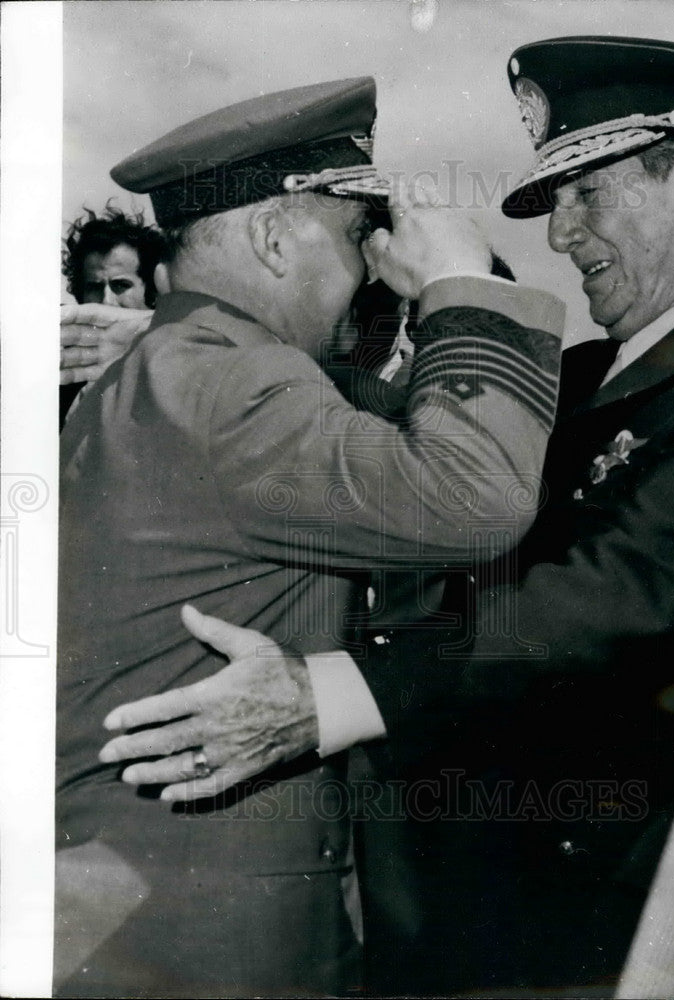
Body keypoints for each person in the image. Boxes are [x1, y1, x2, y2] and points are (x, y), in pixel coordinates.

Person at [98, 37, 674, 995]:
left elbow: (609, 603)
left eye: (588, 194)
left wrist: (323, 696)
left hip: (596, 926)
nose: (562, 235)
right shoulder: (590, 371)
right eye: (555, 202)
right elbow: (377, 449)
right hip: (470, 901)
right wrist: (195, 341)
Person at [56, 76, 564, 998]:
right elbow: (472, 498)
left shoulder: (189, 366)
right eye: (347, 238)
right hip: (199, 920)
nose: (367, 271)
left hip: (152, 888)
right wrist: (461, 283)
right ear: (273, 235)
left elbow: (375, 419)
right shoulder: (230, 384)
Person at [59, 205, 166, 426]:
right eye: (94, 287)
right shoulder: (63, 370)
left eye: (120, 285)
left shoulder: (176, 358)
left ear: (152, 288)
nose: (107, 301)